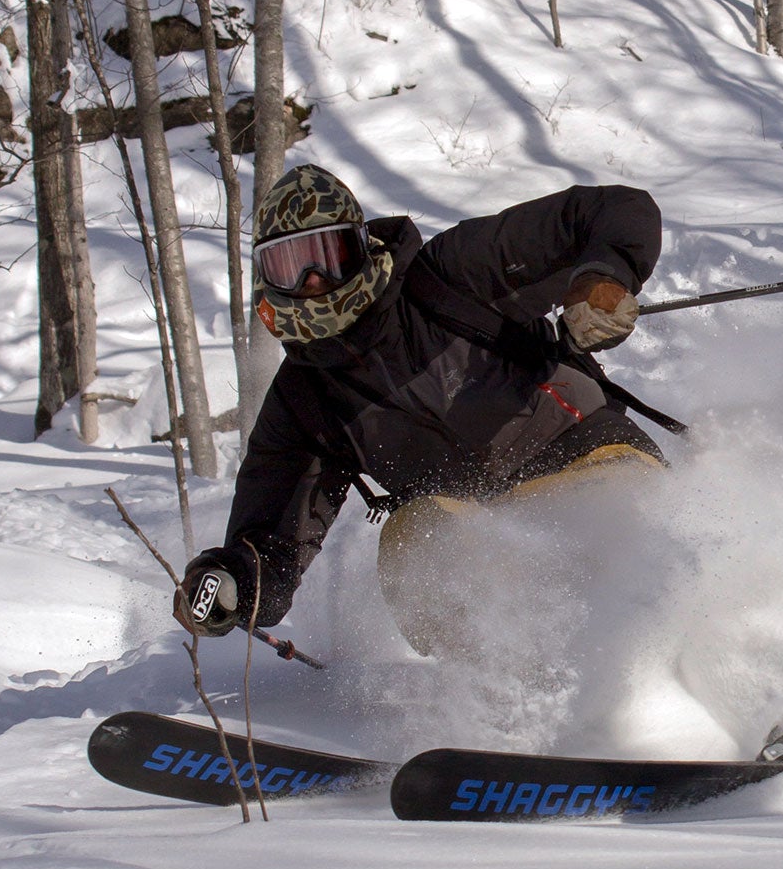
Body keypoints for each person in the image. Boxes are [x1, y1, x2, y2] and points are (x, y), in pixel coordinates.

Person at [175, 163, 669, 654]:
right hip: (481, 521)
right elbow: (271, 539)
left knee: (606, 529)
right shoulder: (306, 400)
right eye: (291, 265)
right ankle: (502, 704)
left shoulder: (448, 277)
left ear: (362, 248)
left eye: (330, 255)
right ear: (267, 278)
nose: (314, 281)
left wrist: (604, 277)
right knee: (412, 544)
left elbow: (613, 209)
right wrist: (234, 579)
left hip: (585, 453)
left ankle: (668, 659)